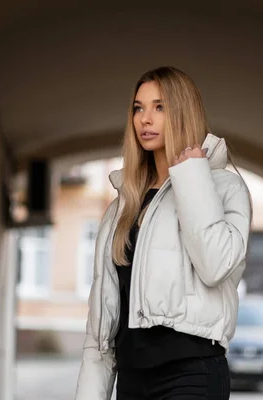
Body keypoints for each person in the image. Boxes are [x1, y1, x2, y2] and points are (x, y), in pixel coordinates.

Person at [75, 66, 252, 400]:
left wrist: (192, 176)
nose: (145, 118)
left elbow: (215, 266)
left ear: (183, 112)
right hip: (132, 379)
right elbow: (102, 325)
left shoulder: (224, 188)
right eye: (138, 108)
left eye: (159, 107)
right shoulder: (121, 207)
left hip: (191, 374)